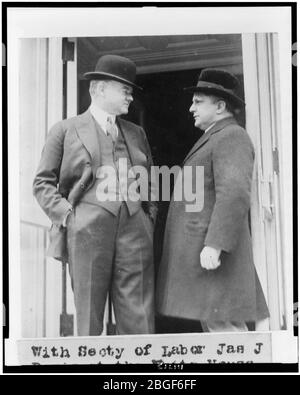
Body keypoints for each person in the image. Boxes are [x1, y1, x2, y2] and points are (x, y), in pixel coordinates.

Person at [33, 54, 157, 336]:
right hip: (87, 231)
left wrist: (148, 218)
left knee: (138, 317)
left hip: (135, 231)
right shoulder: (65, 130)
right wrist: (68, 216)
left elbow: (149, 179)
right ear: (98, 89)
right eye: (124, 89)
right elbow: (42, 182)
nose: (129, 96)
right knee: (88, 318)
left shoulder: (136, 133)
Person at [156, 69, 269, 332]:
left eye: (198, 102)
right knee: (219, 328)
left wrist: (215, 244)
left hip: (212, 252)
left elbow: (234, 193)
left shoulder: (231, 136)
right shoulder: (216, 136)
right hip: (204, 251)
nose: (190, 108)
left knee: (224, 333)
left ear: (220, 106)